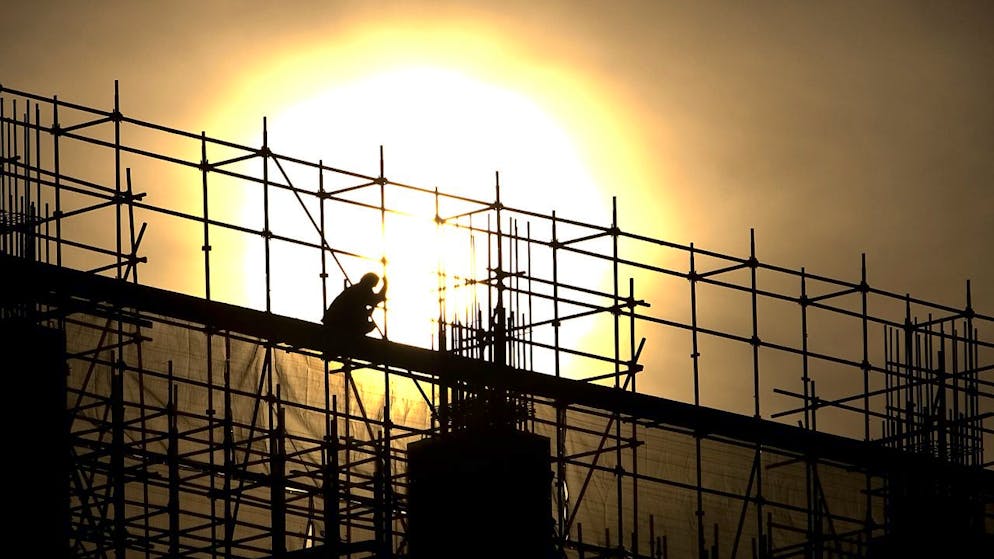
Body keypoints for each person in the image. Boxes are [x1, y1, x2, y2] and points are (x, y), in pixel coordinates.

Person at [322, 272, 387, 339]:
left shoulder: (358, 288)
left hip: (334, 320)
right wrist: (385, 285)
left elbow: (372, 300)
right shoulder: (363, 289)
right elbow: (376, 300)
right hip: (338, 322)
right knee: (367, 324)